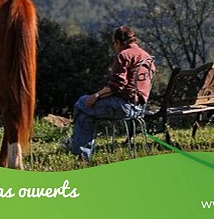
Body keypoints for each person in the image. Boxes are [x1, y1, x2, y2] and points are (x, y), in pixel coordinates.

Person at [62, 26, 155, 161]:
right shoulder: (146, 56)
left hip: (124, 106)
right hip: (139, 107)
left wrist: (96, 96)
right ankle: (78, 147)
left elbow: (117, 86)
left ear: (117, 42)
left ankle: (80, 153)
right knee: (86, 114)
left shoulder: (124, 55)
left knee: (82, 103)